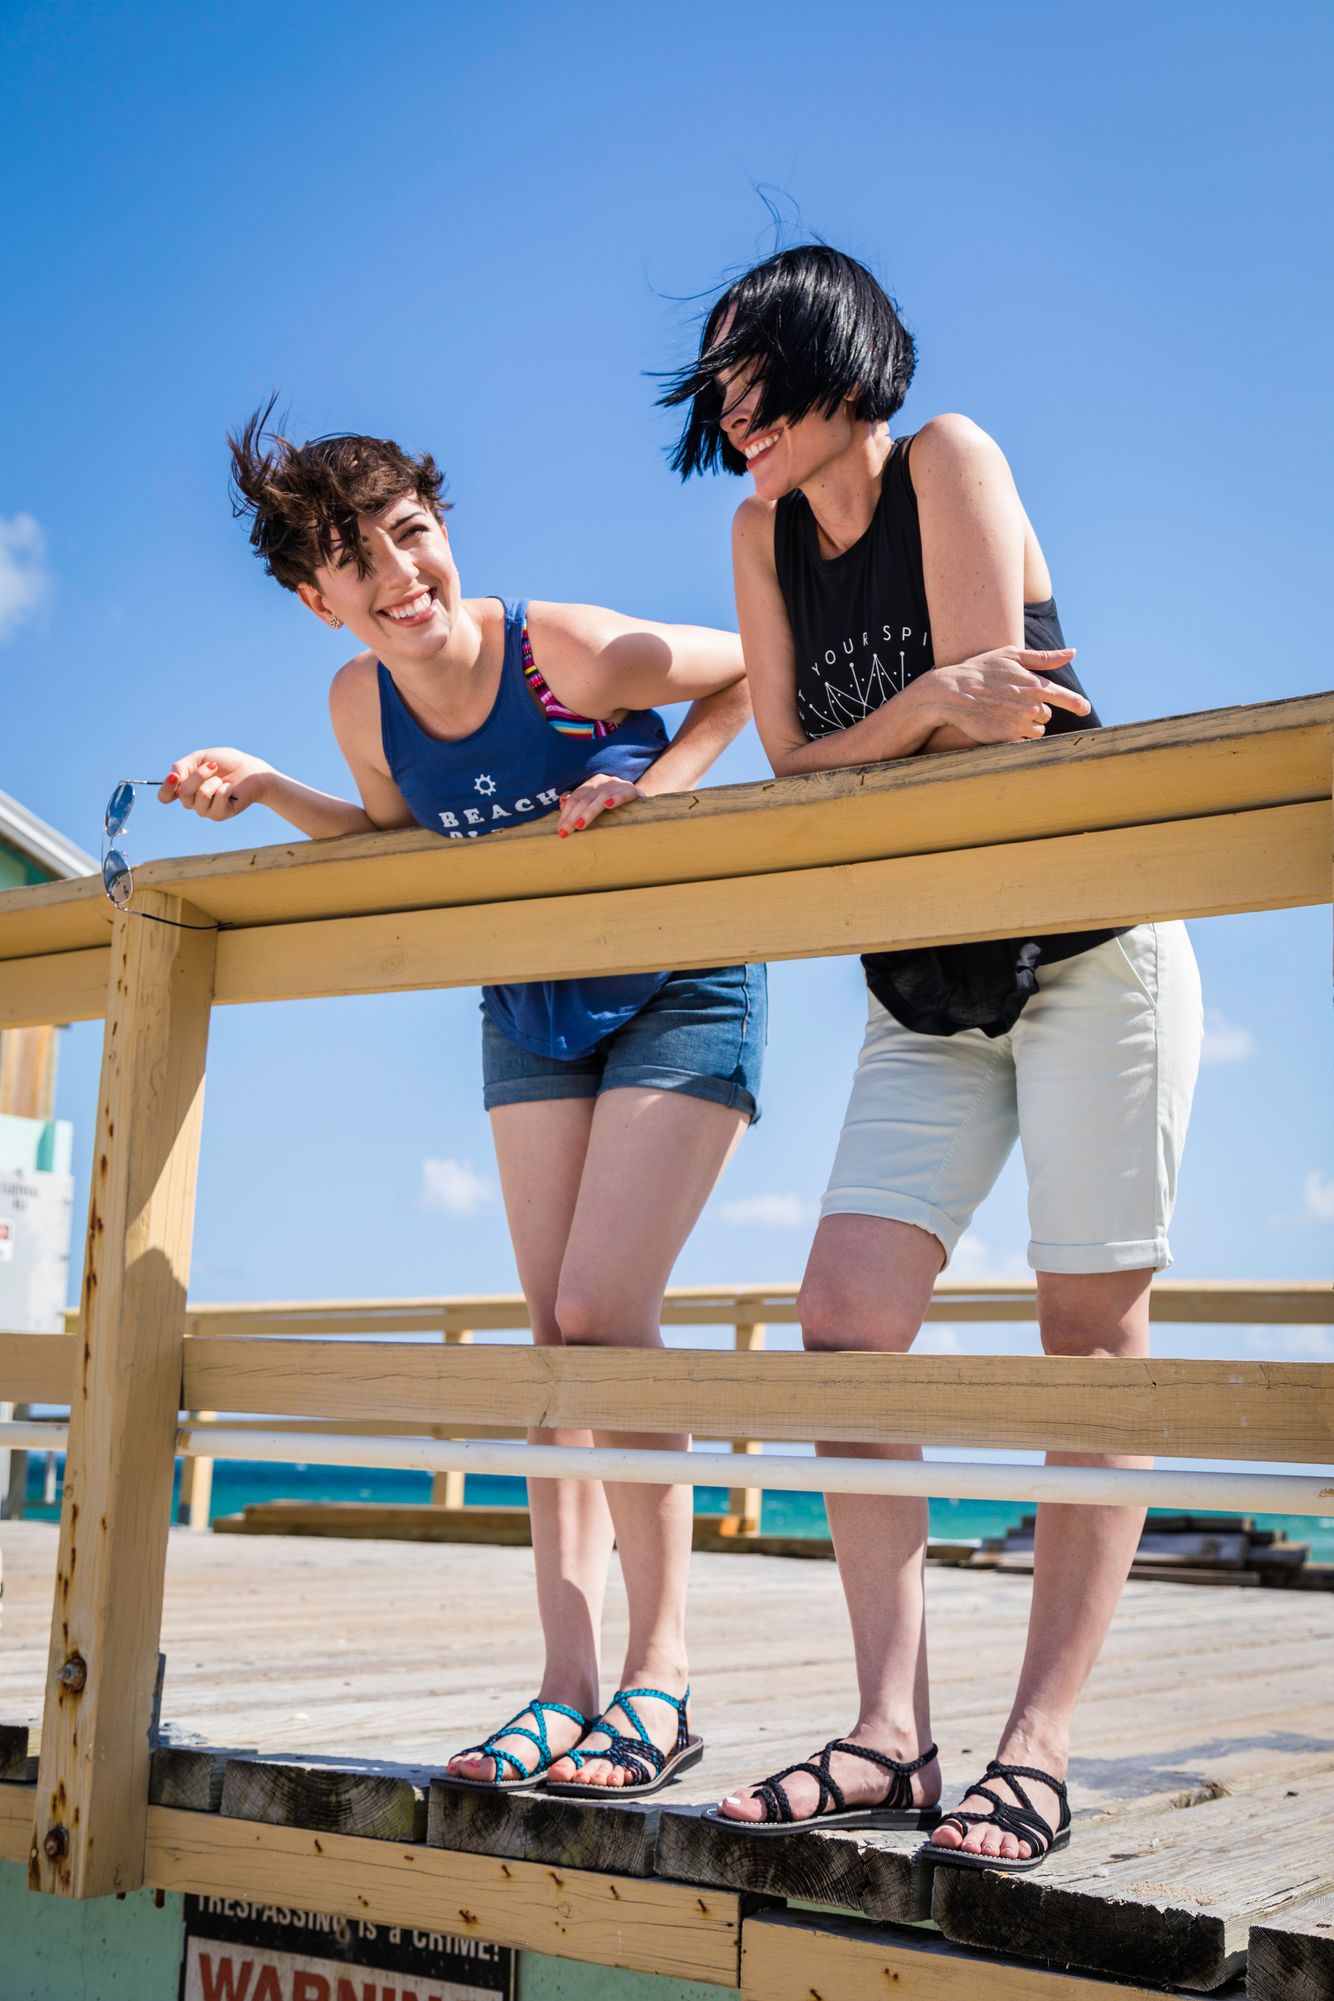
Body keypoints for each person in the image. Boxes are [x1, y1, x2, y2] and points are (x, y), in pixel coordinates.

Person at [662, 246, 1201, 1870]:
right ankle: (891, 1734)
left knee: (1085, 1328)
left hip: (1089, 944)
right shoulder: (758, 532)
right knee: (843, 1322)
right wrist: (912, 709)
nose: (728, 409)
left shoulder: (950, 456)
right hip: (923, 982)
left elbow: (999, 730)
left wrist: (902, 724)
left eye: (750, 370)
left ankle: (1034, 1746)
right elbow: (792, 760)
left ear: (839, 358)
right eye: (714, 385)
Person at [163, 407, 767, 1799]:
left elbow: (749, 669)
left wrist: (659, 786)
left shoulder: (560, 647)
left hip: (679, 980)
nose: (396, 574)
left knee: (608, 1314)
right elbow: (394, 836)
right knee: (553, 1335)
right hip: (527, 1003)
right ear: (316, 600)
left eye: (409, 535)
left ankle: (657, 1678)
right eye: (351, 561)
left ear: (444, 531)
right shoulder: (359, 706)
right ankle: (562, 1686)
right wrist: (268, 791)